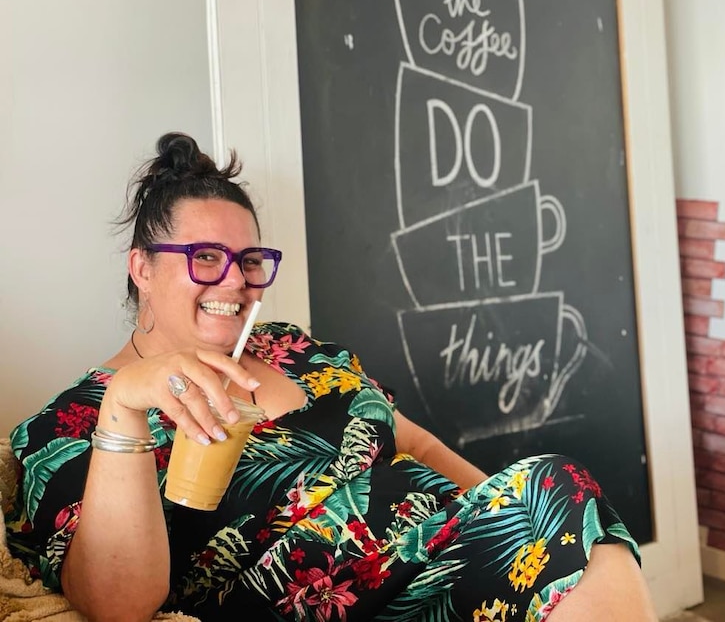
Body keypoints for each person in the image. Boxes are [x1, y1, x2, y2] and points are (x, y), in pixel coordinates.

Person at [5, 133, 657, 621]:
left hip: (445, 557)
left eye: (250, 259)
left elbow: (418, 446)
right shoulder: (69, 425)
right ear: (142, 267)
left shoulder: (295, 349)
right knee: (561, 492)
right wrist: (124, 407)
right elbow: (115, 603)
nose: (234, 280)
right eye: (205, 258)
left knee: (557, 493)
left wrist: (510, 516)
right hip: (334, 601)